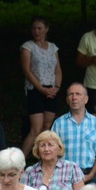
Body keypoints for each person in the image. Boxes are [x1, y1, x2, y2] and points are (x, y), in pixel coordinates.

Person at [51, 83, 96, 184]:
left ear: (86, 99)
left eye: (78, 94)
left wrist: (91, 175)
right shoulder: (59, 123)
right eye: (71, 94)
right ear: (67, 100)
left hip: (89, 175)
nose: (74, 97)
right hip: (64, 175)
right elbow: (52, 150)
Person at [21, 17, 62, 156]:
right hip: (35, 89)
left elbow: (58, 70)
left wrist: (56, 87)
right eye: (34, 28)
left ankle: (43, 159)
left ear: (46, 29)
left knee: (47, 128)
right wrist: (41, 89)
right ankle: (19, 161)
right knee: (36, 129)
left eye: (39, 28)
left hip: (51, 90)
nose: (36, 31)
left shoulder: (53, 47)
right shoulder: (28, 46)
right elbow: (27, 70)